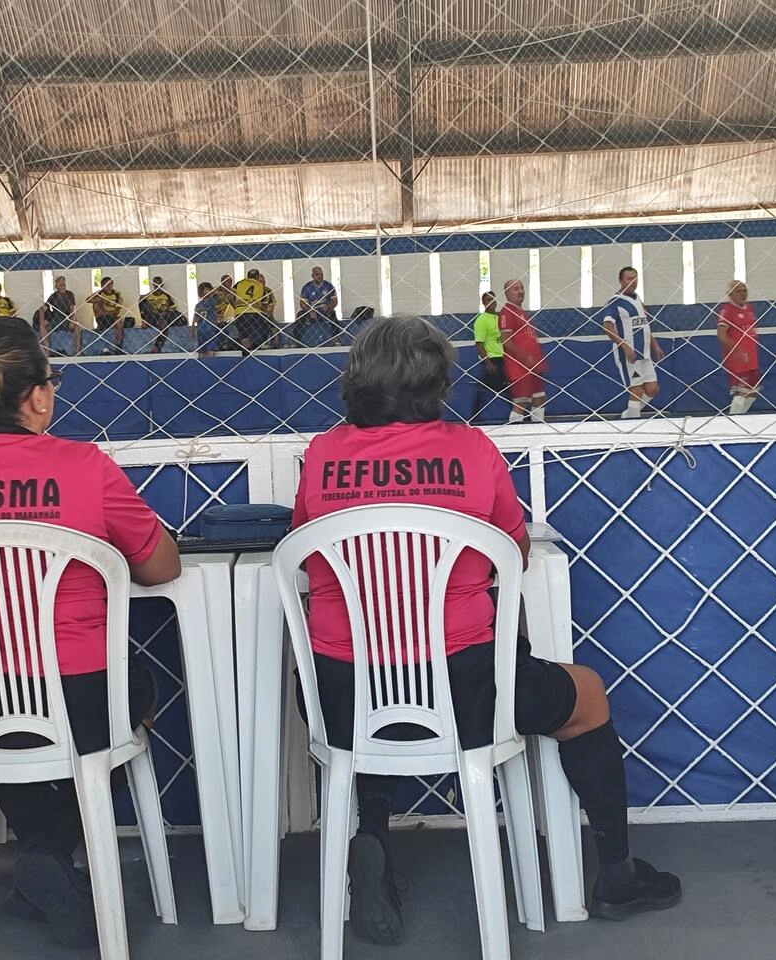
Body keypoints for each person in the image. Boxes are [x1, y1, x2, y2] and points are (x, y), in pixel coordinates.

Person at [290, 317, 681, 945]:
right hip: (471, 696)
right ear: (439, 380)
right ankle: (618, 876)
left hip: (346, 698)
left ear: (356, 379)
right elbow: (513, 552)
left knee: (372, 685)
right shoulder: (473, 450)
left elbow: (308, 554)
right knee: (588, 695)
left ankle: (374, 843)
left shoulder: (322, 454)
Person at [0, 317, 181, 950]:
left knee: (1, 718)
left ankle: (40, 853)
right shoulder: (84, 466)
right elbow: (160, 569)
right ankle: (52, 853)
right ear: (38, 395)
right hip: (78, 697)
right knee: (131, 692)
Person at [600, 267, 663, 419]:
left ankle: (629, 415)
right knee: (636, 389)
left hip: (644, 352)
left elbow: (645, 325)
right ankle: (633, 422)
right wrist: (625, 347)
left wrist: (655, 345)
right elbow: (607, 326)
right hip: (629, 353)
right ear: (621, 281)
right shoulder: (615, 302)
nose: (633, 282)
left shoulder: (637, 300)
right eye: (629, 278)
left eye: (635, 278)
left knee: (653, 389)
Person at [498, 279, 548, 423]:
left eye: (521, 288)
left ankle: (538, 431)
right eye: (515, 289)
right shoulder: (507, 312)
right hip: (520, 366)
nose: (520, 291)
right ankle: (515, 436)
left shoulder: (521, 313)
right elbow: (506, 340)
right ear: (506, 293)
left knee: (539, 398)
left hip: (532, 364)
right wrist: (524, 357)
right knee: (521, 400)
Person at [718, 280, 760, 414]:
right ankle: (734, 420)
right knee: (740, 392)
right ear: (730, 294)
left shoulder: (749, 308)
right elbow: (721, 335)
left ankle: (741, 417)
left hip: (751, 356)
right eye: (739, 291)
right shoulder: (727, 311)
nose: (743, 294)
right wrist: (736, 350)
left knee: (753, 391)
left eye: (744, 290)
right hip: (737, 359)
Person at [470, 291, 507, 420]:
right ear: (483, 303)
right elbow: (479, 344)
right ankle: (474, 416)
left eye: (493, 299)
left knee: (508, 388)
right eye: (487, 300)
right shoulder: (481, 320)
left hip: (504, 359)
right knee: (486, 389)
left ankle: (517, 414)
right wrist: (488, 362)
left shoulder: (500, 318)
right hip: (492, 359)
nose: (491, 302)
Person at [36, 275, 80, 356]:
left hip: (67, 318)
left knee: (77, 326)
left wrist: (72, 320)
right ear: (56, 286)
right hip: (56, 319)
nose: (63, 287)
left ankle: (77, 352)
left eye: (64, 285)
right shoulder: (53, 296)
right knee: (42, 328)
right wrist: (42, 321)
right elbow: (43, 309)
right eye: (61, 285)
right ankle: (47, 351)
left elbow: (72, 309)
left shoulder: (70, 294)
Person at [138, 276, 182, 354]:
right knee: (142, 300)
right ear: (153, 285)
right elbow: (142, 306)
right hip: (151, 316)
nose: (157, 286)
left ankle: (157, 347)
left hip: (163, 315)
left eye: (159, 284)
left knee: (164, 323)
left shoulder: (166, 296)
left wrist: (165, 310)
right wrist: (143, 319)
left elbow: (172, 308)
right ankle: (144, 321)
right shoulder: (148, 296)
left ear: (162, 285)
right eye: (155, 284)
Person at [299, 265, 341, 345]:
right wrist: (310, 310)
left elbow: (335, 301)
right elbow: (302, 303)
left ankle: (335, 339)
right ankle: (295, 340)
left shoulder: (329, 286)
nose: (320, 276)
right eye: (317, 274)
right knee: (299, 315)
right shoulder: (307, 287)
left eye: (321, 274)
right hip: (312, 311)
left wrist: (329, 307)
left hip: (325, 310)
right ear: (312, 276)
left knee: (333, 314)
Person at [232, 269, 269, 355]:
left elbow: (230, 294)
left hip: (240, 312)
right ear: (257, 277)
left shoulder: (239, 283)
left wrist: (236, 306)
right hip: (254, 313)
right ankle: (255, 347)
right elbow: (264, 304)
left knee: (244, 335)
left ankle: (245, 354)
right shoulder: (260, 286)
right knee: (260, 332)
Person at [88, 277, 127, 354]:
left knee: (119, 321)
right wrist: (102, 300)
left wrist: (107, 308)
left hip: (112, 316)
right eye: (106, 285)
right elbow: (88, 300)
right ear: (102, 286)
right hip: (101, 316)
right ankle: (100, 326)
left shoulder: (117, 294)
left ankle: (118, 346)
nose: (109, 286)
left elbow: (117, 310)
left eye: (110, 284)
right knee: (97, 301)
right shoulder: (99, 293)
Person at [194, 282, 223, 357]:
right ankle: (211, 363)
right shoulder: (214, 302)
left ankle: (201, 364)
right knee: (210, 348)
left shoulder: (199, 305)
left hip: (201, 328)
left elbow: (195, 318)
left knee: (201, 349)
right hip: (210, 328)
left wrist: (193, 329)